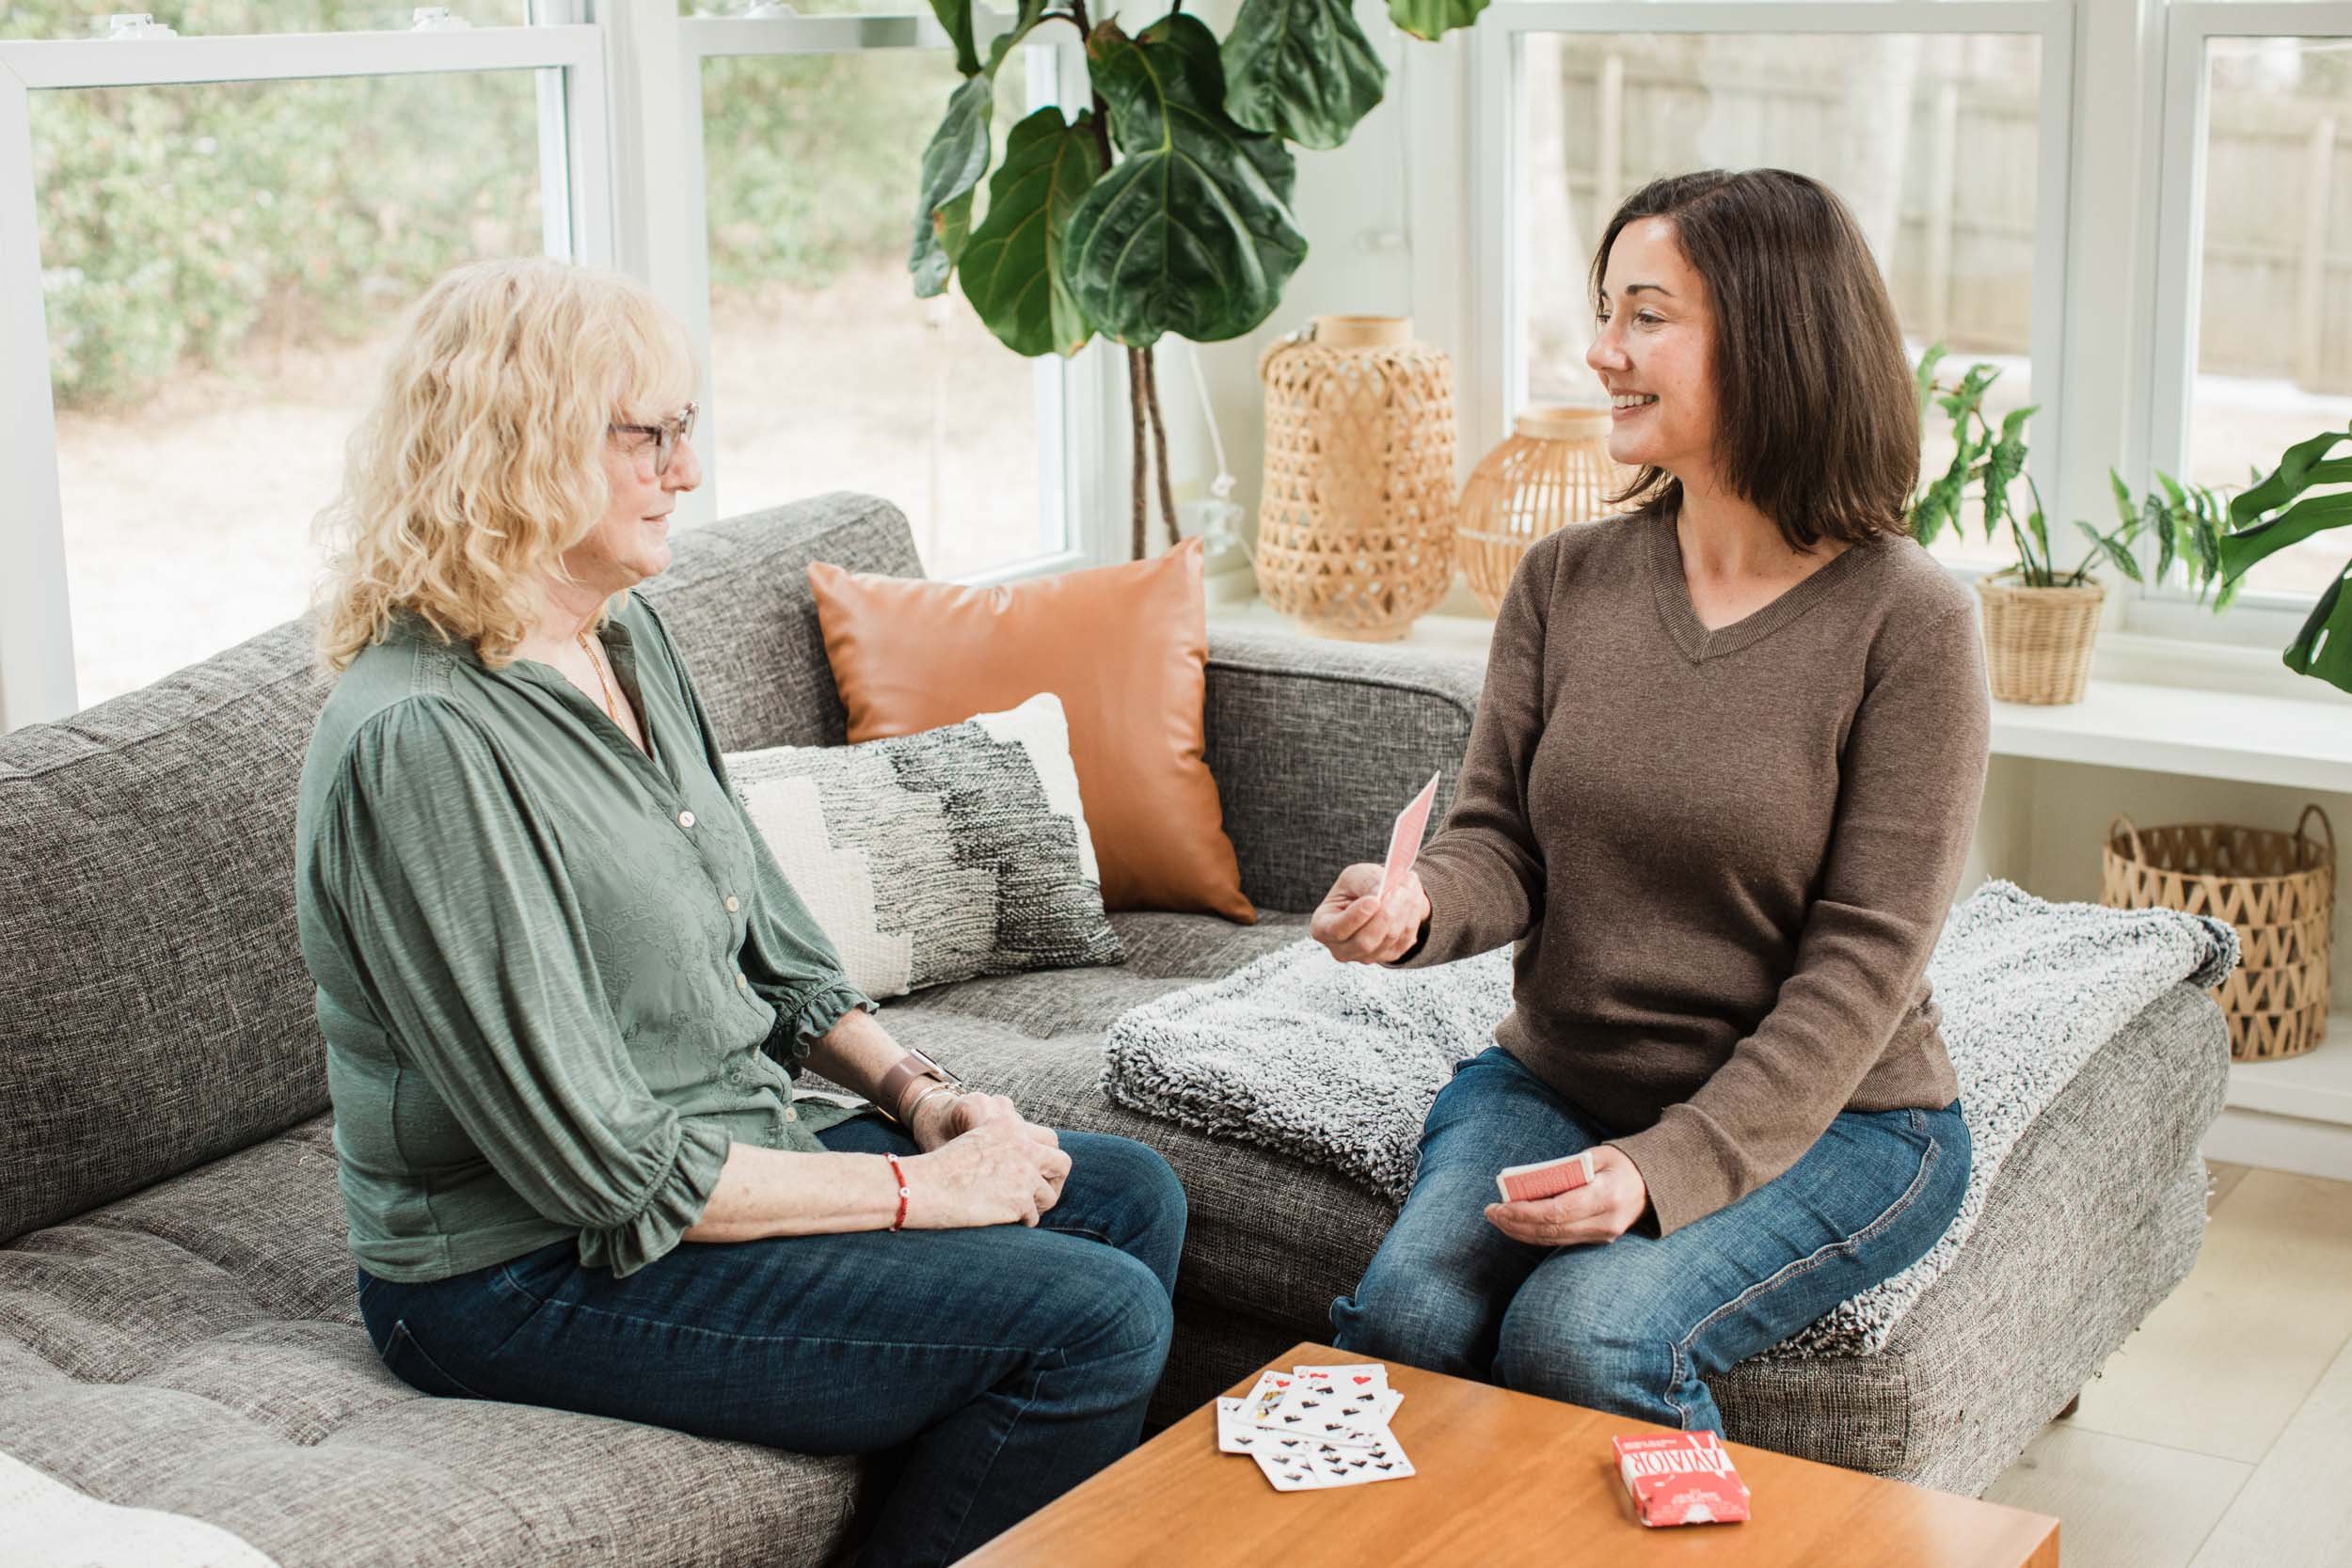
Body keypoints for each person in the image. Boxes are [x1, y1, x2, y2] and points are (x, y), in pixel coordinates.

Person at [293, 257, 1184, 1568]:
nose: (687, 472)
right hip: (522, 1271)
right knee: (1091, 1318)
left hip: (724, 1149)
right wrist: (920, 1193)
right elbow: (608, 1170)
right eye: (646, 435)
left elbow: (769, 938)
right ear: (519, 446)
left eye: (684, 430)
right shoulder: (423, 742)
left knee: (1127, 1197)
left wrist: (923, 1097)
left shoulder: (621, 637)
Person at [1311, 168, 1988, 1433]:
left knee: (1581, 1330)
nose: (1601, 351)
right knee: (1408, 1322)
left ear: (1775, 338)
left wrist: (1663, 1168)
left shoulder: (1914, 623)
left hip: (1843, 1120)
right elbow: (1501, 841)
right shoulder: (1566, 578)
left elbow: (1863, 966)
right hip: (1559, 1079)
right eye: (1603, 311)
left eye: (1645, 316)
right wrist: (1415, 907)